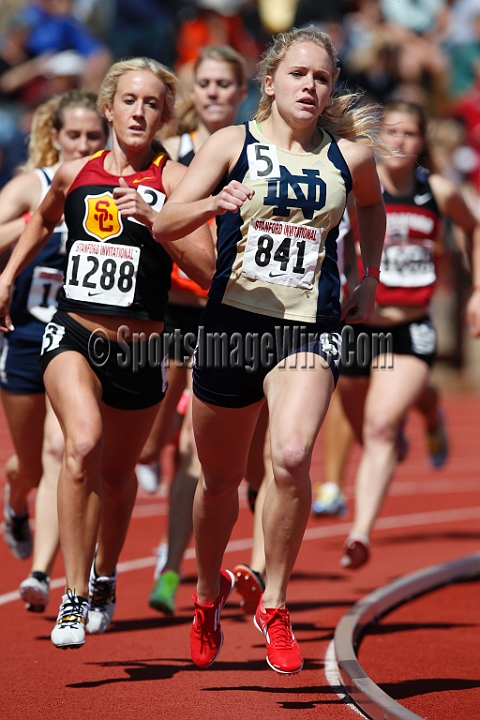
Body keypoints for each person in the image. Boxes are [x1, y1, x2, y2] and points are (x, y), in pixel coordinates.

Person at [153, 25, 387, 674]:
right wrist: (210, 200)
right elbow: (167, 222)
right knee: (220, 482)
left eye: (323, 77)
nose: (311, 86)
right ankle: (205, 596)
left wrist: (368, 277)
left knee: (289, 456)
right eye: (299, 75)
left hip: (307, 329)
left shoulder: (351, 158)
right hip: (231, 325)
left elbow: (371, 205)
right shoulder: (232, 143)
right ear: (271, 81)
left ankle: (275, 601)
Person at [0, 56, 215, 650]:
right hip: (72, 330)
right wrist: (9, 276)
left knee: (118, 478)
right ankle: (71, 593)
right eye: (129, 100)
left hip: (141, 347)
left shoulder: (177, 181)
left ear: (165, 115)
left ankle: (104, 576)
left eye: (152, 103)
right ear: (108, 107)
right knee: (82, 445)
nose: (139, 111)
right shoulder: (73, 174)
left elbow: (208, 267)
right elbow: (39, 221)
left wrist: (162, 223)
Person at [338, 99, 480, 571]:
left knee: (381, 427)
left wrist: (476, 290)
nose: (399, 142)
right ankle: (429, 406)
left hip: (410, 326)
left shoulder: (437, 190)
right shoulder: (359, 186)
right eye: (391, 133)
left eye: (409, 134)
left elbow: (472, 228)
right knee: (364, 423)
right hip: (359, 325)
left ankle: (360, 533)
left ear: (422, 142)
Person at [144, 45, 248, 615]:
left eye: (223, 84)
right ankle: (173, 561)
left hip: (234, 312)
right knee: (169, 440)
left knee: (205, 451)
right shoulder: (172, 158)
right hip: (177, 311)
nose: (212, 93)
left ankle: (180, 563)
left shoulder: (254, 150)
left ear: (241, 92)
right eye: (203, 83)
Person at [0, 89, 109, 613]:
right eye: (75, 136)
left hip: (73, 336)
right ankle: (15, 501)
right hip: (23, 335)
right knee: (28, 463)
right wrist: (42, 222)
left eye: (93, 136)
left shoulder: (111, 186)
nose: (84, 144)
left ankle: (44, 573)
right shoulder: (34, 185)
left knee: (57, 447)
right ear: (55, 137)